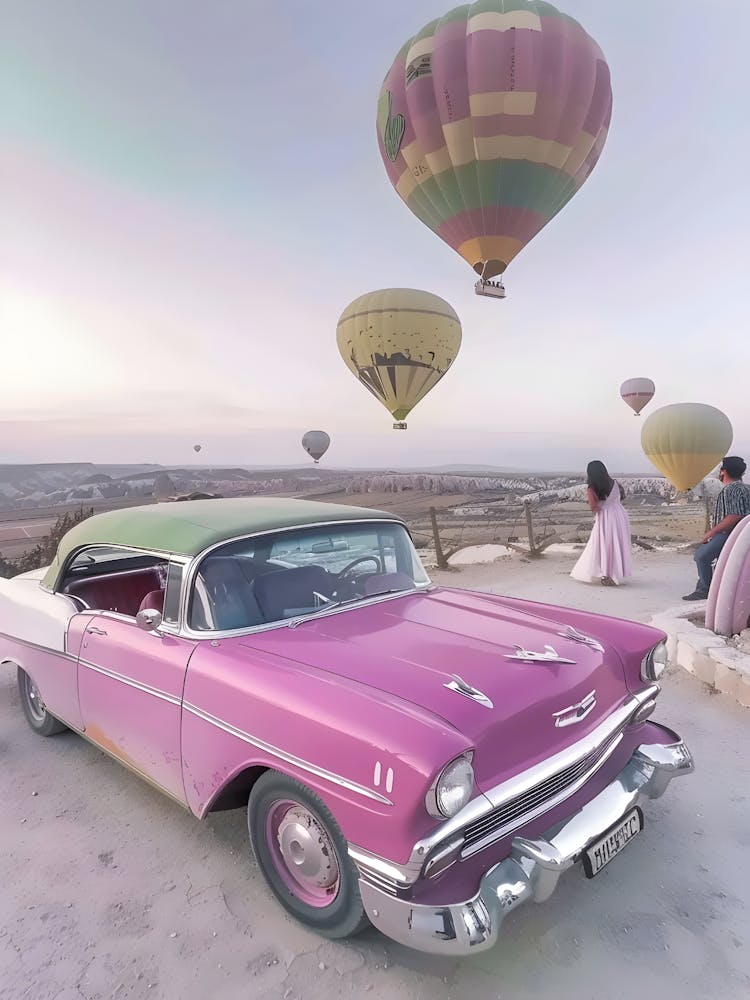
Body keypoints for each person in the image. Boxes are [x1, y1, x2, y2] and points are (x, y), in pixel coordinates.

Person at [683, 455, 750, 601]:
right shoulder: (744, 488)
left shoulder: (732, 490)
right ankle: (716, 589)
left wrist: (712, 532)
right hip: (738, 533)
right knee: (723, 562)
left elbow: (735, 515)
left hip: (729, 533)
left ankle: (706, 590)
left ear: (723, 472)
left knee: (702, 557)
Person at [571, 461, 632, 586]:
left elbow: (594, 507)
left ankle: (606, 574)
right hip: (620, 515)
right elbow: (622, 497)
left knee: (604, 545)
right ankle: (615, 572)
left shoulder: (592, 488)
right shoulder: (615, 483)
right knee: (617, 544)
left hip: (606, 517)